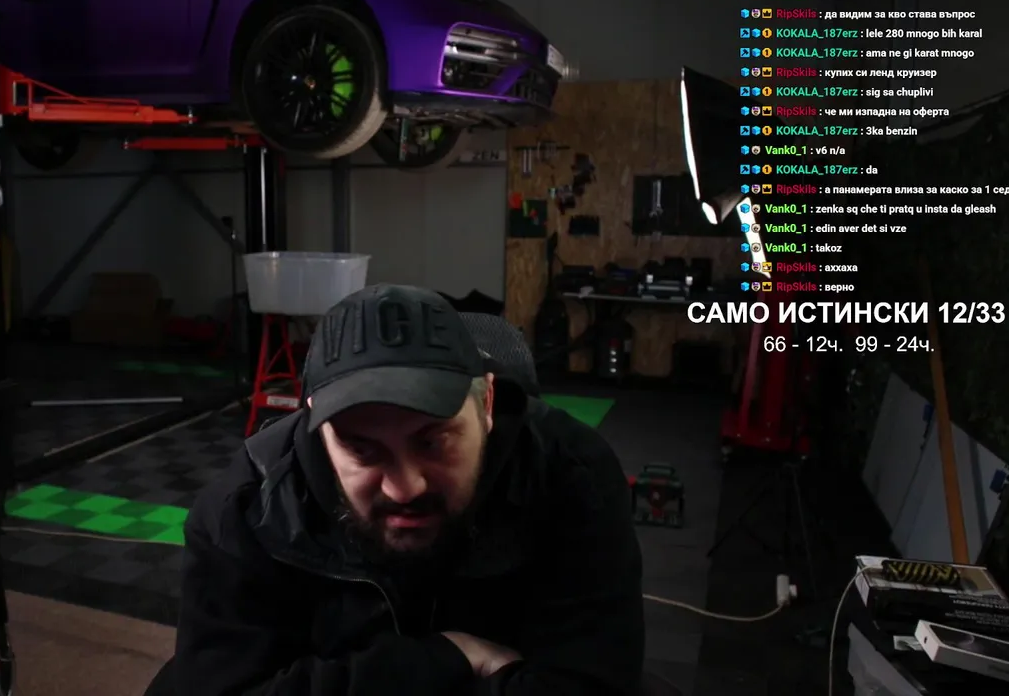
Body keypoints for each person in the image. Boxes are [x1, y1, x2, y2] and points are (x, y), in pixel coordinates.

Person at [149, 284, 644, 695]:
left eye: (432, 441)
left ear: (488, 404)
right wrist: (445, 658)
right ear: (316, 425)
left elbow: (590, 682)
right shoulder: (246, 509)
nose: (404, 488)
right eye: (362, 450)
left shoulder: (570, 477)